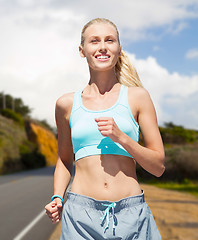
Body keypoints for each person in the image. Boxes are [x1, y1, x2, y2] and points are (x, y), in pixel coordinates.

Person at [44, 18, 165, 239]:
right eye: (94, 41)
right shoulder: (66, 104)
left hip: (132, 215)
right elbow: (63, 160)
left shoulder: (138, 97)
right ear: (82, 51)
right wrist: (57, 197)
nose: (102, 47)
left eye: (110, 40)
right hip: (80, 218)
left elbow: (158, 167)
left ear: (119, 48)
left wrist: (123, 138)